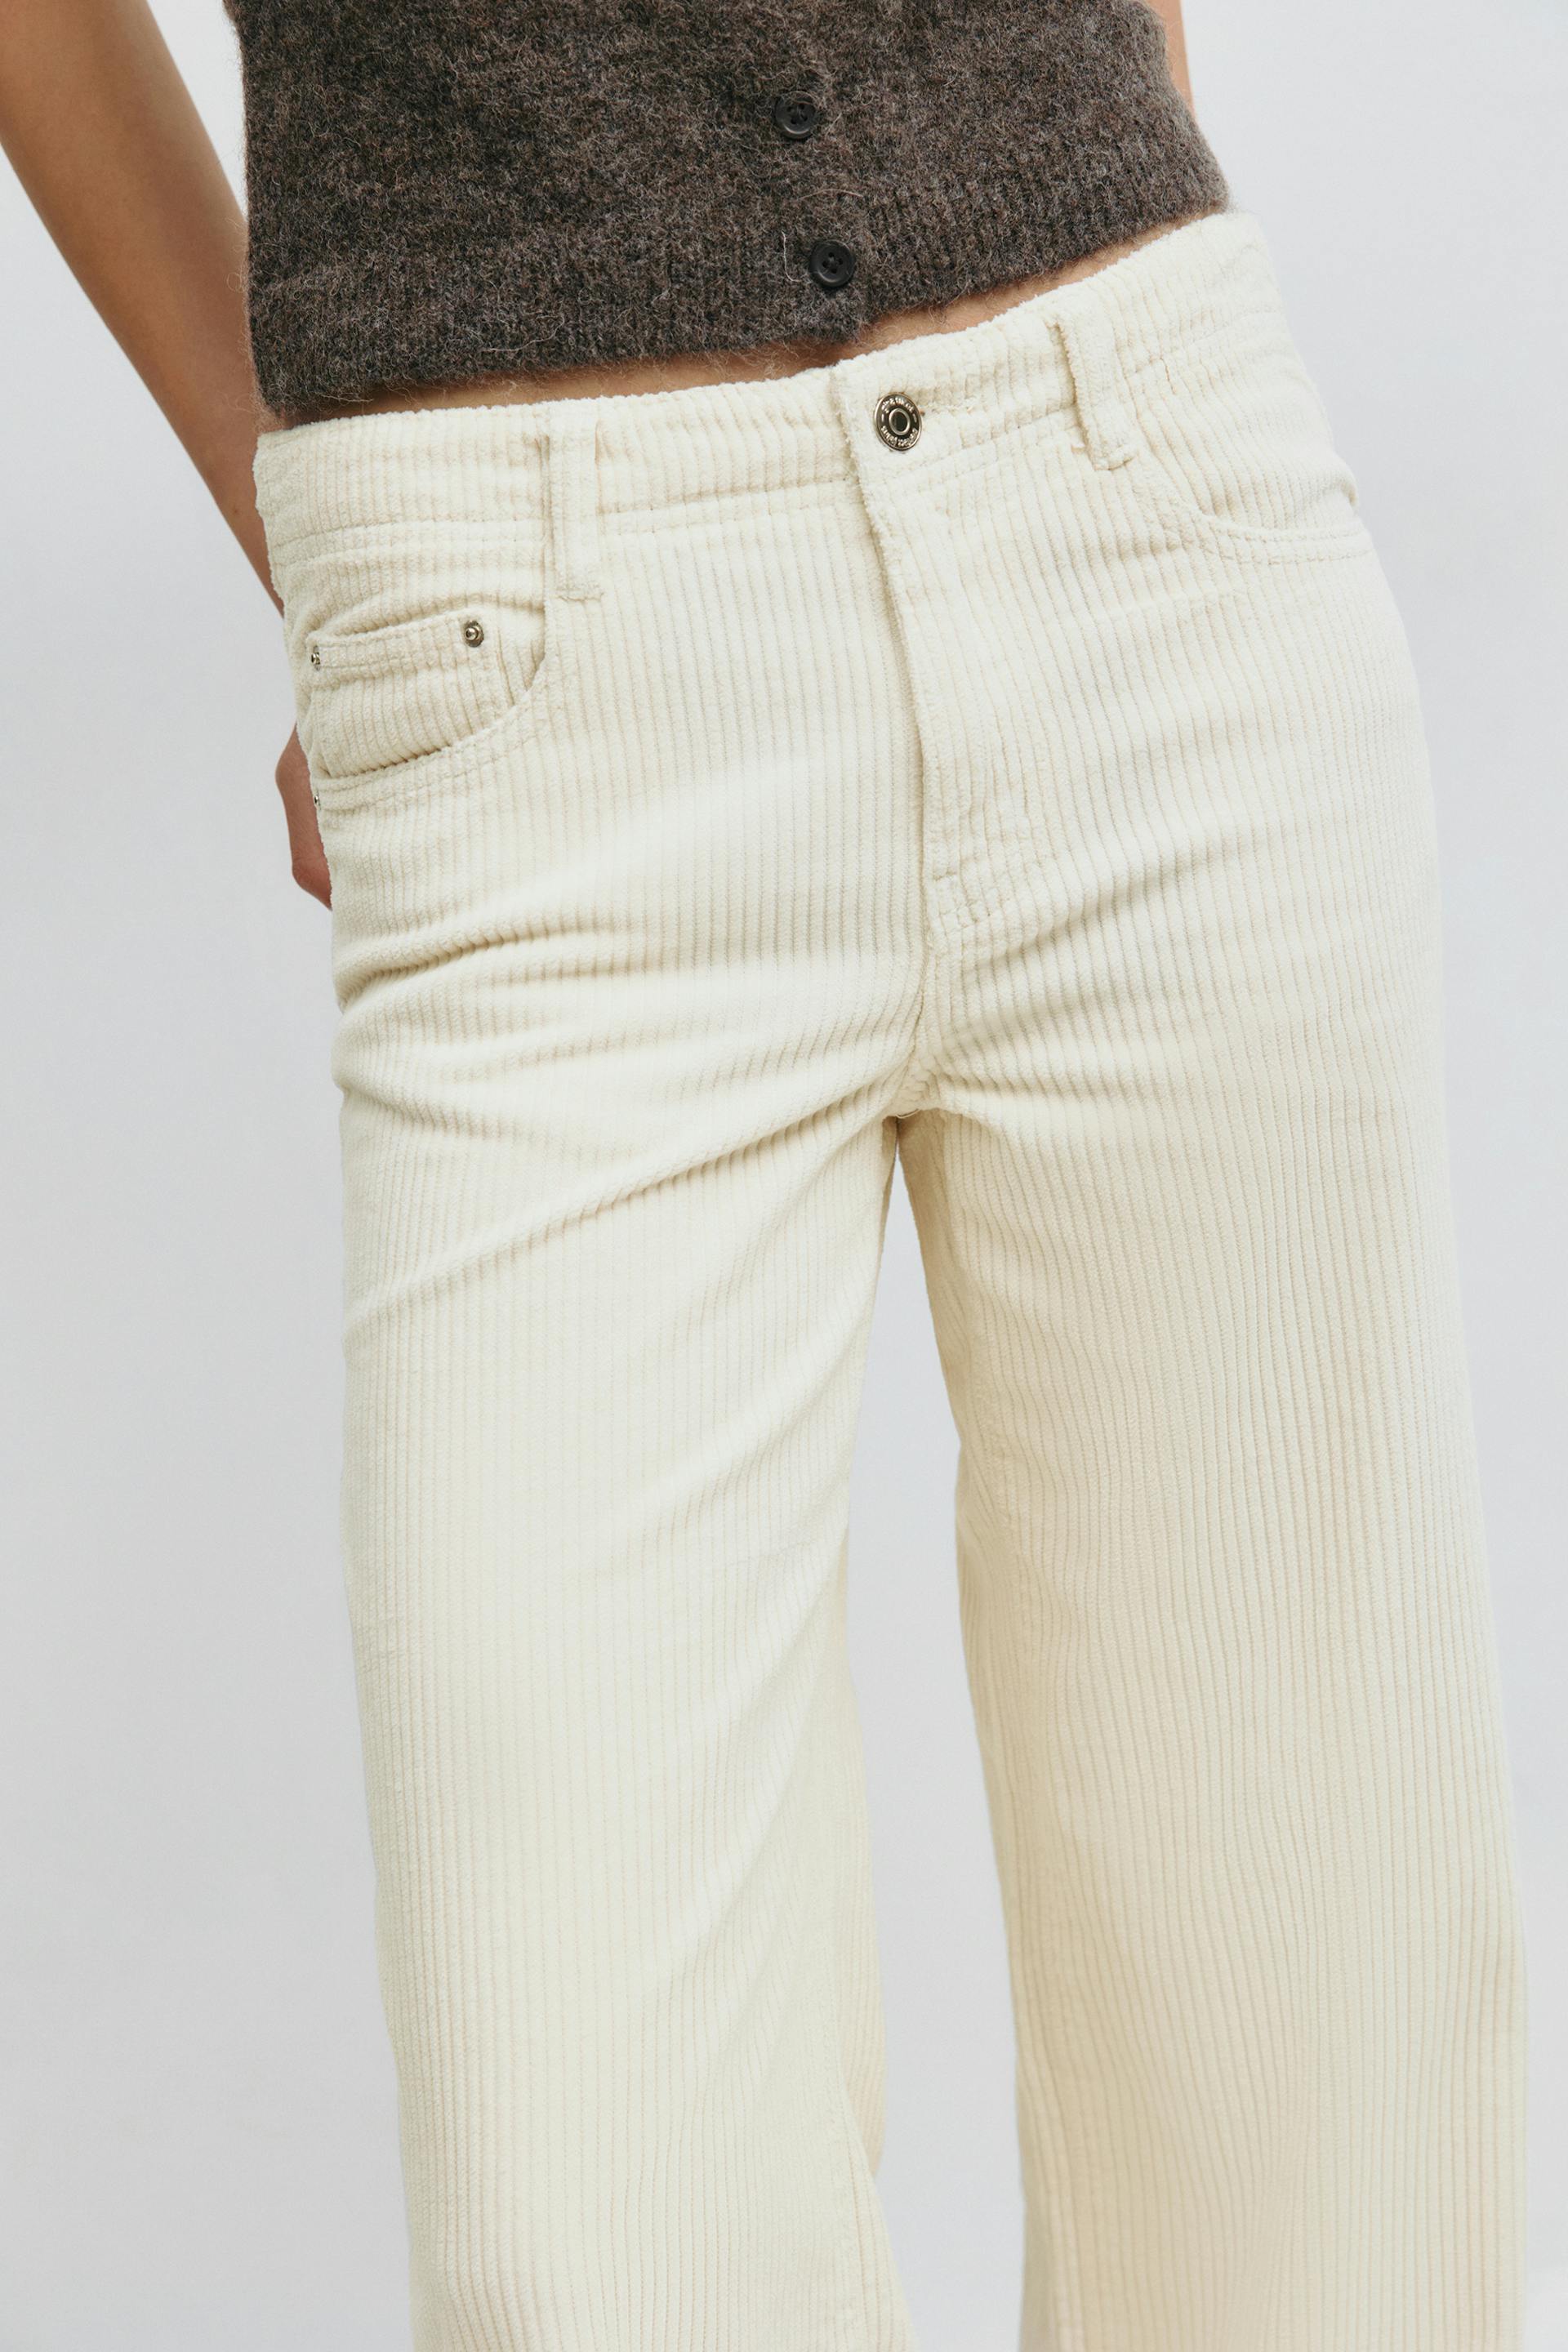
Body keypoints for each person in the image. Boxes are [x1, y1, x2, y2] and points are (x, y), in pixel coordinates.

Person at [0, 5, 1528, 2348]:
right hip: (527, 665)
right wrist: (311, 542)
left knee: (1306, 2108)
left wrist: (1122, 367)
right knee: (588, 2203)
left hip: (1158, 537)